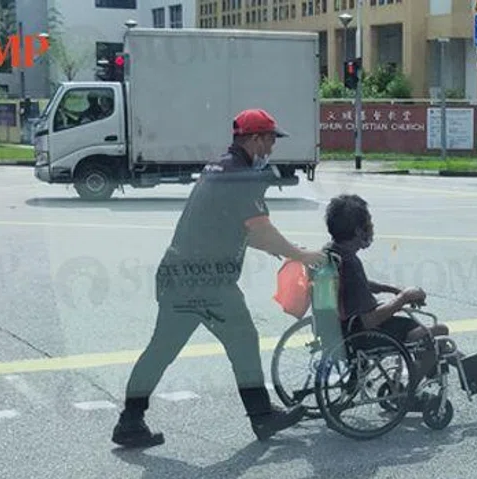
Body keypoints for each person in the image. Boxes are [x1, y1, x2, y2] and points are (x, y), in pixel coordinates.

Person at [111, 108, 327, 448]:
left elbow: (244, 229)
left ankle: (130, 420)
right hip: (207, 281)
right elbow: (260, 228)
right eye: (270, 140)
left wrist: (282, 248)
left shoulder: (218, 167)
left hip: (177, 274)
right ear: (254, 139)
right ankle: (262, 417)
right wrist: (301, 255)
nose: (271, 149)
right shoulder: (242, 175)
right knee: (243, 339)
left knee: (161, 350)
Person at [322, 193, 477, 398]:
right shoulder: (350, 264)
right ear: (357, 231)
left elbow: (355, 288)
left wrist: (391, 289)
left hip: (343, 329)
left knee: (435, 341)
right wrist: (403, 298)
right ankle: (406, 394)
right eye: (368, 223)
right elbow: (369, 321)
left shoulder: (332, 254)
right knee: (438, 334)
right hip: (364, 335)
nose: (371, 228)